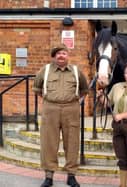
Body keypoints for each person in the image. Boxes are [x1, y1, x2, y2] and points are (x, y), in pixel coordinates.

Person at [33, 44, 88, 187]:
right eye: (58, 54)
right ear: (54, 56)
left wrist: (74, 101)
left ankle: (71, 175)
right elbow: (37, 88)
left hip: (71, 109)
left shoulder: (76, 71)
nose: (61, 56)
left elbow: (84, 89)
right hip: (50, 109)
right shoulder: (45, 71)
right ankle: (49, 176)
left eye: (63, 53)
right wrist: (51, 100)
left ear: (67, 55)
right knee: (48, 143)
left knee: (72, 142)